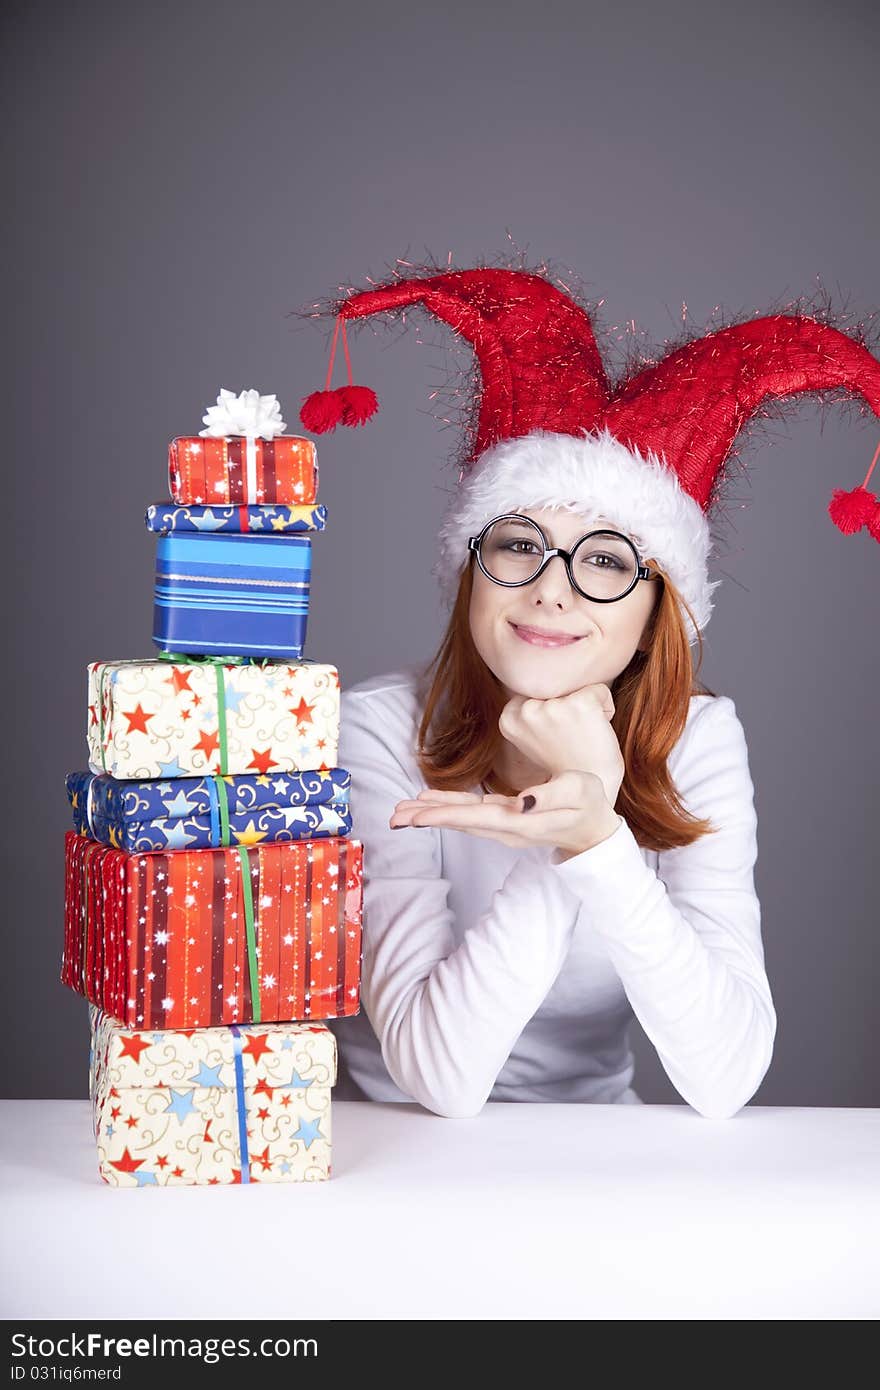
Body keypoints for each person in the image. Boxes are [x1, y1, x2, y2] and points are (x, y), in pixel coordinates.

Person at [298, 261, 880, 1119]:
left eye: (606, 560)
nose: (552, 590)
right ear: (472, 570)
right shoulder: (379, 728)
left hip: (599, 1158)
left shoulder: (701, 741)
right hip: (387, 1152)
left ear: (658, 609)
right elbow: (434, 1076)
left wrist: (594, 837)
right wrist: (557, 839)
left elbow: (725, 1078)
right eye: (519, 545)